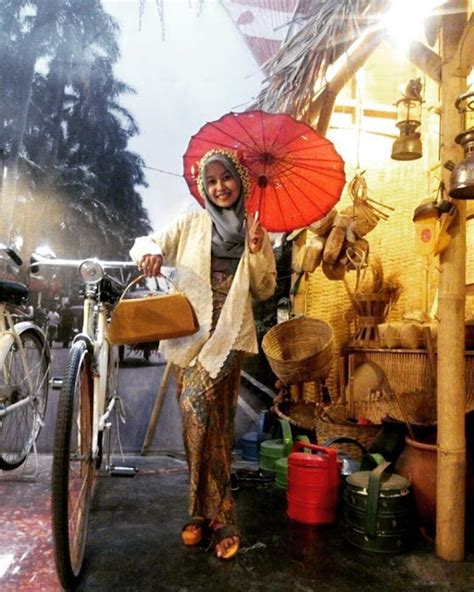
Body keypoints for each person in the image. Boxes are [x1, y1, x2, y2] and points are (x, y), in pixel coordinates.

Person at [130, 149, 276, 560]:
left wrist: (260, 249)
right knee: (203, 424)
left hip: (230, 335)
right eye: (210, 181)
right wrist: (150, 253)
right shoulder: (192, 222)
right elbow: (150, 239)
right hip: (189, 334)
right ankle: (201, 511)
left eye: (225, 179)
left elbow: (265, 289)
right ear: (203, 187)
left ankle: (219, 514)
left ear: (239, 182)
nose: (219, 187)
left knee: (208, 416)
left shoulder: (254, 227)